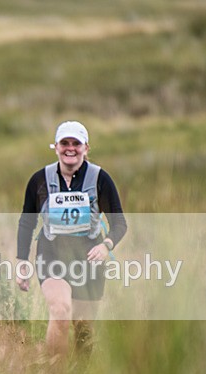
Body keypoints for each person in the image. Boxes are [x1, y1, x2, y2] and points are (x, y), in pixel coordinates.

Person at [16, 121, 127, 358]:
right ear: (55, 147)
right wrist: (22, 261)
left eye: (76, 143)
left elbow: (119, 223)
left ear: (86, 148)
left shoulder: (100, 179)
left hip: (90, 258)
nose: (70, 148)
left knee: (84, 328)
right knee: (60, 310)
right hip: (52, 255)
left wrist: (106, 246)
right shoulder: (40, 180)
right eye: (64, 143)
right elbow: (27, 222)